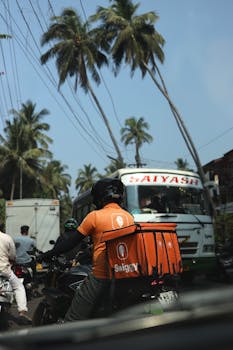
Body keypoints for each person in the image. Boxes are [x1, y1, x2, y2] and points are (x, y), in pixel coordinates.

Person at [39, 178, 135, 321]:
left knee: (73, 318)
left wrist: (46, 255)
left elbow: (70, 243)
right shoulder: (129, 217)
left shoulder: (94, 216)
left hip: (102, 275)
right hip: (125, 273)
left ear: (99, 196)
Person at [0, 223, 32, 325]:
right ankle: (22, 312)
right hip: (5, 271)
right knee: (19, 287)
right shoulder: (7, 238)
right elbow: (13, 256)